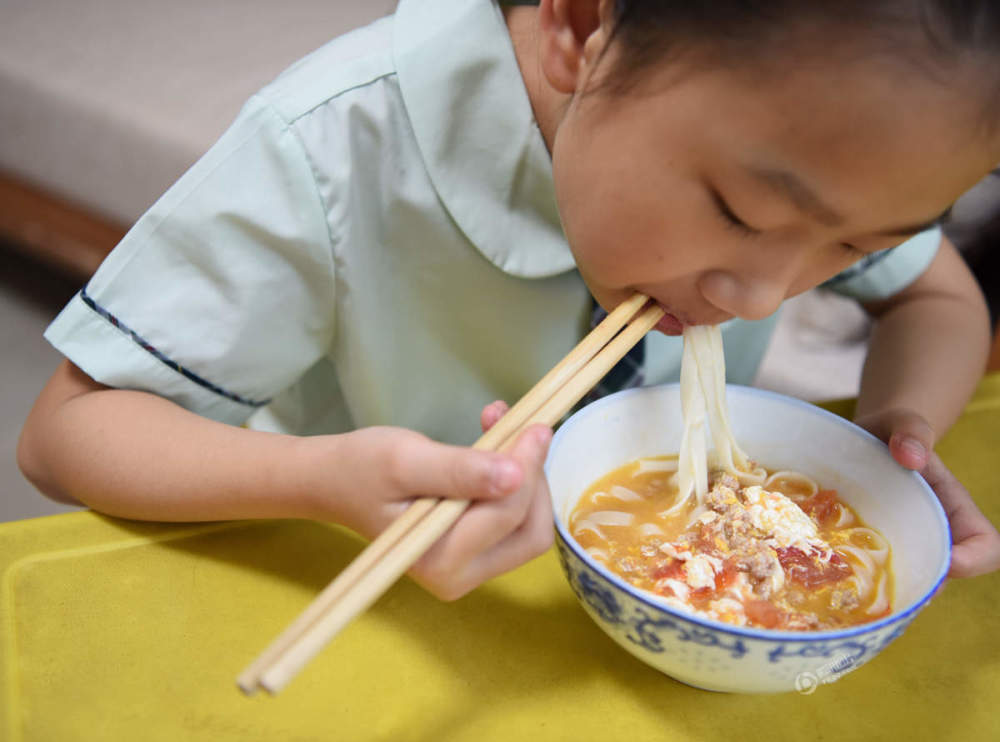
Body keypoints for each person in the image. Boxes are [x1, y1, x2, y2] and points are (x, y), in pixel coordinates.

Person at [17, 0, 1000, 599]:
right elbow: (64, 432)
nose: (761, 297)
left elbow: (942, 303)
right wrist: (319, 479)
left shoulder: (836, 161)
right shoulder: (333, 145)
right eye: (740, 214)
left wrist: (895, 435)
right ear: (580, 26)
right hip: (350, 571)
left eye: (857, 245)